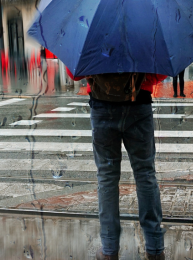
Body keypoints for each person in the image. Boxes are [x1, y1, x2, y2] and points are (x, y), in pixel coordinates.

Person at [67, 68, 167, 260]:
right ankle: (154, 248)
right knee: (145, 174)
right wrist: (142, 79)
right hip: (139, 102)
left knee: (107, 177)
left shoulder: (94, 37)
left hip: (102, 105)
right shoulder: (143, 36)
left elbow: (74, 72)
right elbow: (160, 70)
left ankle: (109, 248)